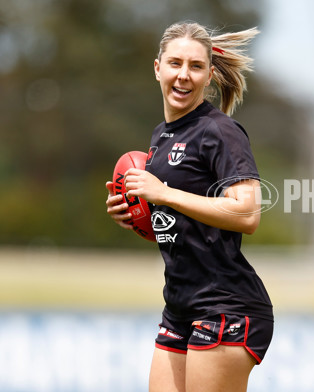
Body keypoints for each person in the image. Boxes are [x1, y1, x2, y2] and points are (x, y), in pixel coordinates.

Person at [105, 21, 273, 392]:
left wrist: (163, 194)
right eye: (175, 63)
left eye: (195, 66)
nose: (184, 75)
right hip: (179, 307)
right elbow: (192, 230)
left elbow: (247, 214)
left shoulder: (220, 131)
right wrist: (139, 217)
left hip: (226, 305)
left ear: (210, 75)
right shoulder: (162, 135)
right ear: (157, 68)